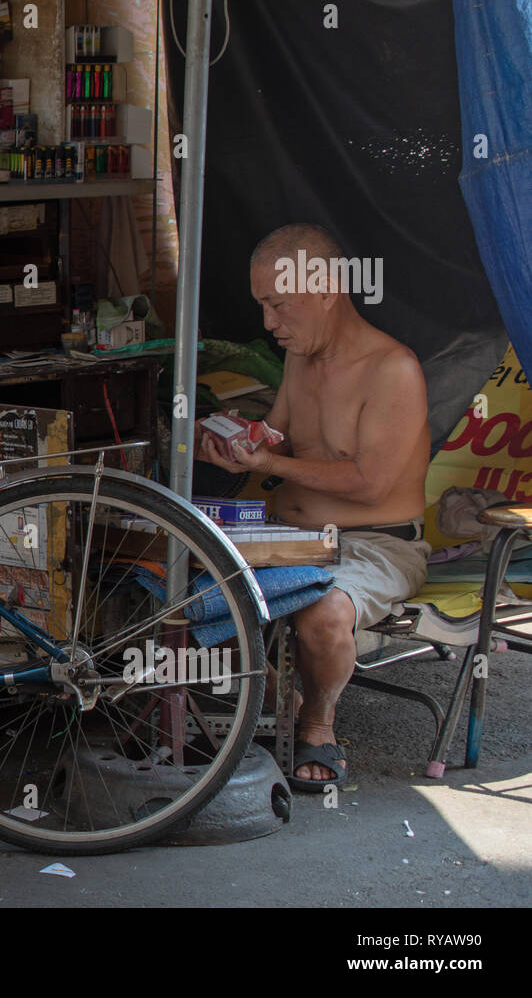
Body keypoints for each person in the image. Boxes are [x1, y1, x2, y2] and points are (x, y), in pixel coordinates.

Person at [197, 224, 432, 791]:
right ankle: (282, 701)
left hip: (376, 541)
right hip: (290, 532)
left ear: (325, 287)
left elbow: (371, 483)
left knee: (321, 613)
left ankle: (319, 726)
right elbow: (275, 436)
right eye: (262, 306)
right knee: (195, 590)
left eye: (276, 305)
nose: (268, 323)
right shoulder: (303, 360)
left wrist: (267, 466)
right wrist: (239, 443)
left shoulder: (392, 368)